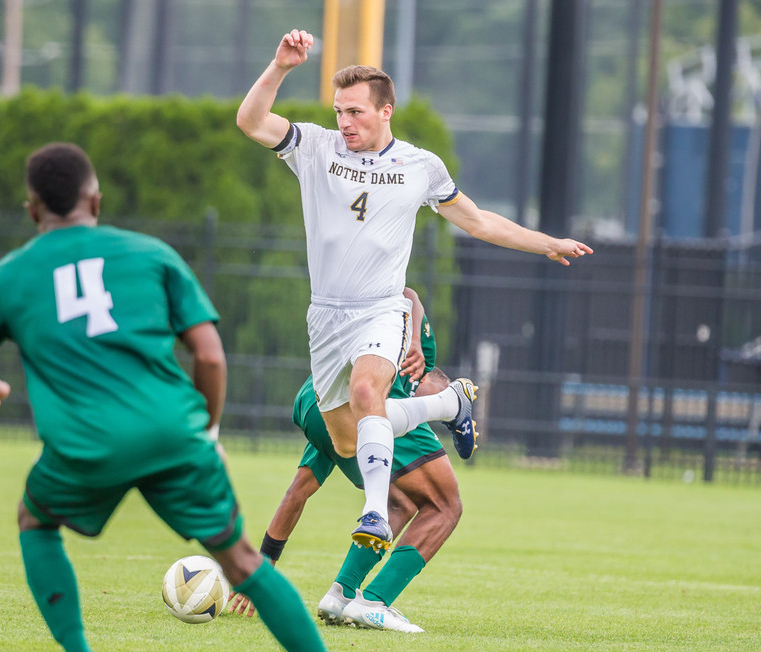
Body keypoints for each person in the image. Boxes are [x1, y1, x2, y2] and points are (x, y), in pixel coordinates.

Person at [0, 142, 345, 652]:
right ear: (96, 200)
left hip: (85, 443)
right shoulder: (152, 255)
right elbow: (209, 355)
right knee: (242, 562)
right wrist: (210, 431)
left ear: (33, 209)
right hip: (172, 432)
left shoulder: (9, 277)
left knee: (35, 520)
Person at [236, 28, 593, 553]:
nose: (344, 121)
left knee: (367, 394)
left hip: (381, 308)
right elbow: (250, 121)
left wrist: (545, 243)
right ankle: (448, 404)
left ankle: (375, 513)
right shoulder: (315, 147)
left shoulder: (420, 167)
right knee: (346, 439)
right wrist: (281, 67)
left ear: (386, 111)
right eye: (339, 110)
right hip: (325, 317)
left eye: (356, 111)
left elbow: (478, 222)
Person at [229, 290, 461, 633]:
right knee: (446, 505)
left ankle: (341, 594)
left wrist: (265, 560)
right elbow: (408, 294)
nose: (424, 426)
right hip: (364, 398)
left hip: (317, 399)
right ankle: (376, 602)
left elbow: (298, 491)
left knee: (399, 501)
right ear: (425, 379)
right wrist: (414, 339)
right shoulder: (417, 363)